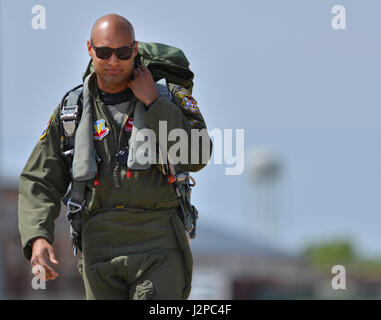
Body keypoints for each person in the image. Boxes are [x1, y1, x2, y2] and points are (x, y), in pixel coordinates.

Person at [18, 13, 212, 300]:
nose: (113, 61)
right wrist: (38, 238)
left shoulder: (168, 98)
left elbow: (197, 154)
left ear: (134, 50)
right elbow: (40, 179)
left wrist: (154, 103)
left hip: (158, 244)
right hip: (99, 249)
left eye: (122, 53)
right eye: (104, 52)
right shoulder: (72, 111)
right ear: (89, 49)